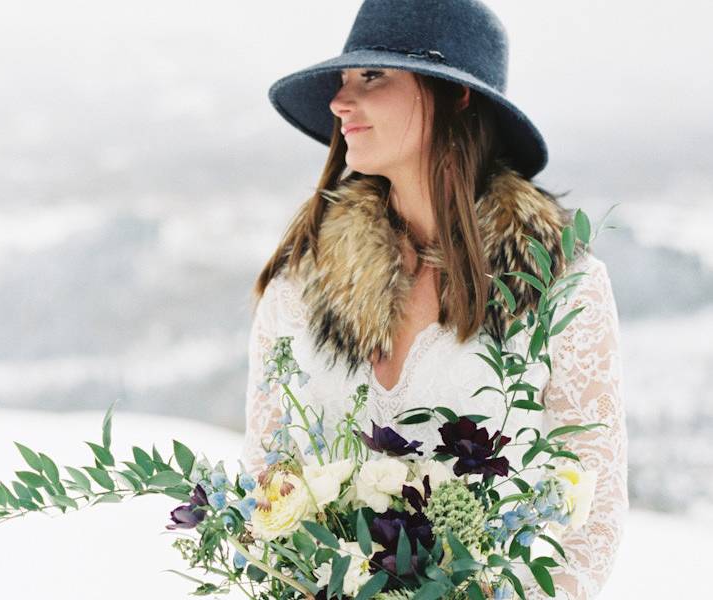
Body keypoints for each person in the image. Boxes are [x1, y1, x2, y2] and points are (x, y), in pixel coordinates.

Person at [241, 1, 627, 599]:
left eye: (372, 77)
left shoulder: (563, 290)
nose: (340, 102)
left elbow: (593, 513)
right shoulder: (299, 290)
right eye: (343, 81)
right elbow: (267, 482)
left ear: (458, 95)